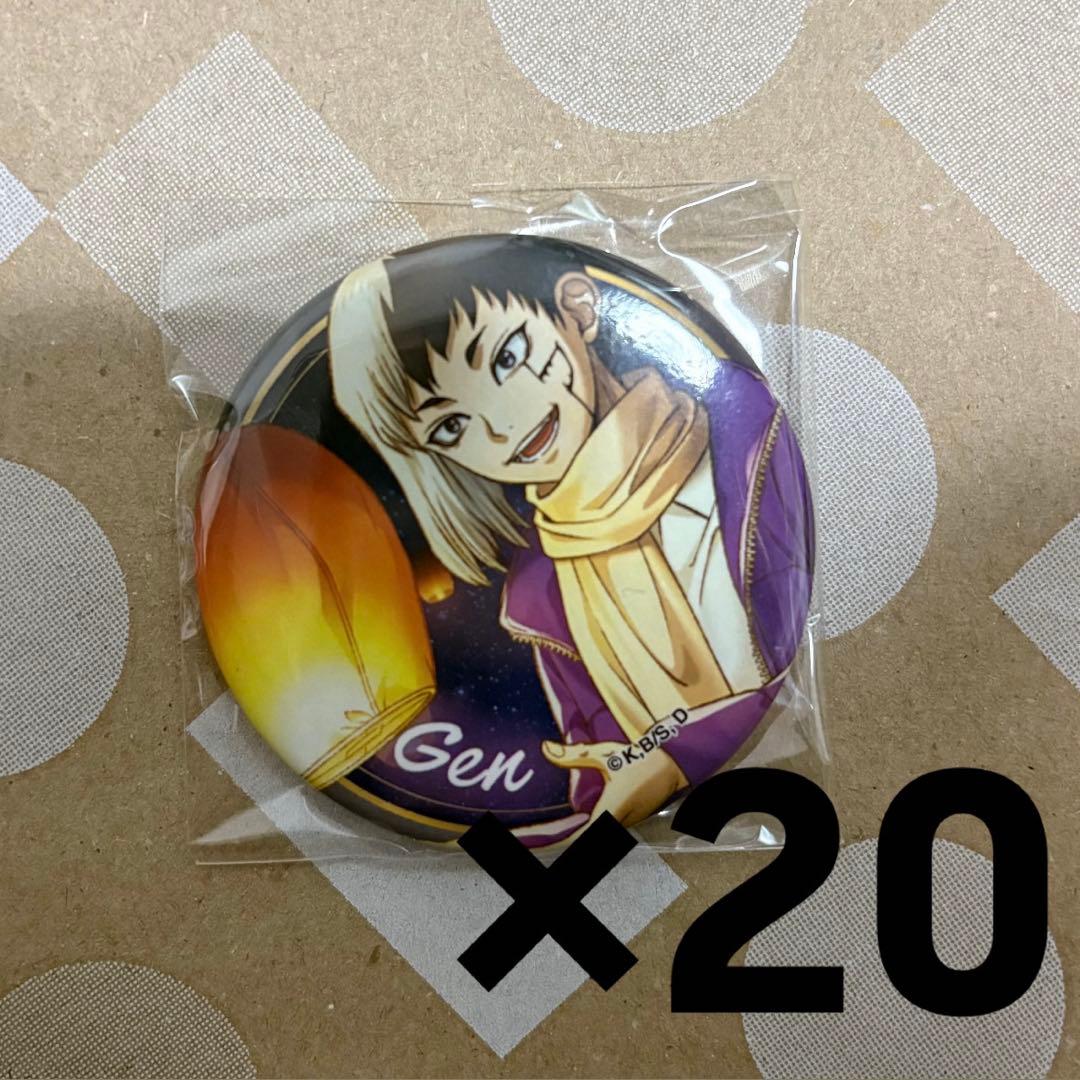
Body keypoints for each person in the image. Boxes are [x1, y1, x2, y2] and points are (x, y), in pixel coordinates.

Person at [328, 235, 812, 841]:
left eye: (506, 358)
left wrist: (674, 758)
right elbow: (603, 772)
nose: (502, 426)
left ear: (577, 308)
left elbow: (770, 676)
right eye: (451, 426)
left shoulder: (744, 440)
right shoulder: (538, 593)